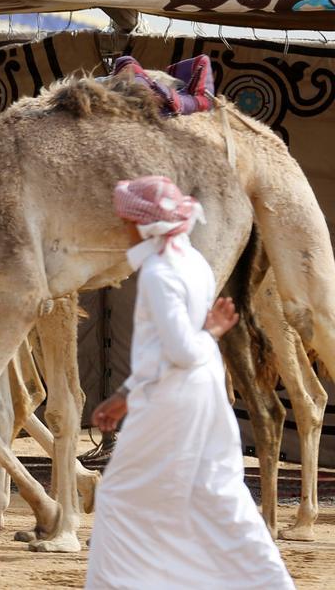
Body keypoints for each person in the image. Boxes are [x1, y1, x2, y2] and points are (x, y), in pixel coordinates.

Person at [84, 176, 292, 589]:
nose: (122, 228)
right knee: (216, 489)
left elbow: (180, 350)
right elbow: (165, 349)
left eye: (126, 220)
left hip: (172, 398)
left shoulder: (159, 273)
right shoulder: (193, 261)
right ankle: (269, 582)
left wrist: (211, 331)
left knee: (120, 495)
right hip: (201, 390)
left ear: (143, 224)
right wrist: (124, 395)